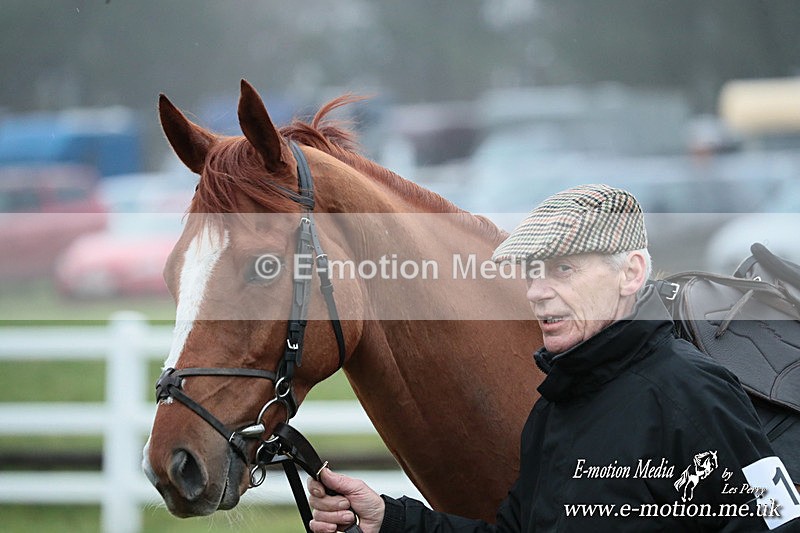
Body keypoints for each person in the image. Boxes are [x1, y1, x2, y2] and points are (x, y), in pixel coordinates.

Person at [308, 184, 800, 532]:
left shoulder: (693, 393)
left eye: (562, 269)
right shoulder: (553, 407)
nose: (538, 293)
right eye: (532, 273)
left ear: (631, 273)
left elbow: (778, 521)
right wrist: (387, 520)